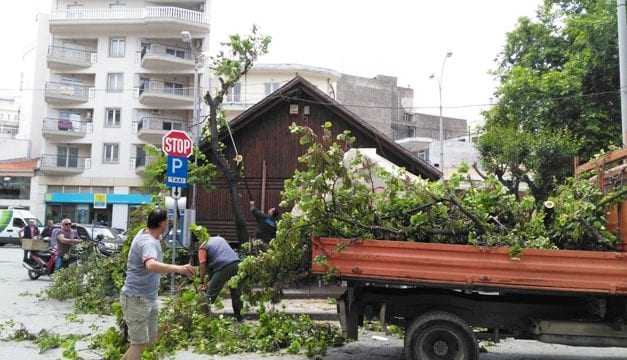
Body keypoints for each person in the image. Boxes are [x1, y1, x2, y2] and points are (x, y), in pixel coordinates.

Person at [120, 209, 195, 360]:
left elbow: (156, 237)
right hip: (137, 299)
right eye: (167, 220)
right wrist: (179, 269)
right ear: (161, 223)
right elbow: (151, 265)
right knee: (139, 343)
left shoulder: (146, 234)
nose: (168, 223)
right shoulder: (148, 242)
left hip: (148, 298)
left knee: (149, 341)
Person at [198, 235, 243, 322]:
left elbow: (202, 265)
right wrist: (209, 281)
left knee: (210, 296)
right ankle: (239, 318)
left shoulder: (202, 247)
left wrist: (202, 281)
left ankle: (202, 320)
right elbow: (212, 272)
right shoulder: (220, 238)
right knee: (236, 294)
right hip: (237, 264)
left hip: (223, 267)